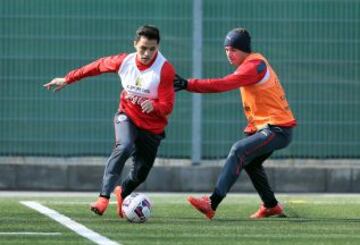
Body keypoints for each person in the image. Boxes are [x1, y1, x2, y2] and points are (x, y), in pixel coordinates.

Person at [44, 25, 175, 218]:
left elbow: (168, 105)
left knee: (140, 174)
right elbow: (96, 66)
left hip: (152, 128)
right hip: (127, 116)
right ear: (135, 44)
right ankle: (103, 198)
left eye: (152, 49)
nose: (147, 53)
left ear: (158, 47)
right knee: (124, 146)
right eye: (143, 48)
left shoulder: (165, 69)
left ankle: (122, 191)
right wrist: (68, 79)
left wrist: (155, 106)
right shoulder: (124, 61)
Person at [174, 27, 296, 219]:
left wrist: (189, 84)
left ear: (244, 50)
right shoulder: (251, 64)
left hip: (278, 129)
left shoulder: (254, 66)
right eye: (226, 50)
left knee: (238, 150)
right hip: (268, 127)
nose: (229, 54)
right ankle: (271, 205)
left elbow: (222, 84)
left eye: (233, 50)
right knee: (251, 163)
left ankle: (212, 203)